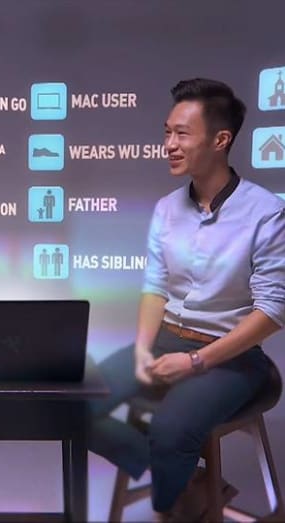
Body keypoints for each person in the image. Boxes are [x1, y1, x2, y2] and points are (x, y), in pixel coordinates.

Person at [88, 78, 285, 521]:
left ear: (220, 140)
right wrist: (143, 348)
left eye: (182, 134)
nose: (169, 145)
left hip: (231, 357)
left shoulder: (266, 212)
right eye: (167, 133)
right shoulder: (166, 208)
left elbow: (273, 311)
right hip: (165, 341)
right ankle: (188, 483)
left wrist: (196, 362)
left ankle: (172, 496)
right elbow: (155, 287)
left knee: (172, 429)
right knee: (75, 406)